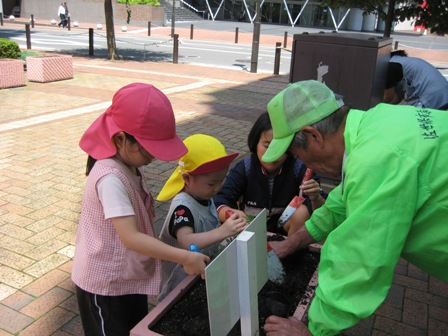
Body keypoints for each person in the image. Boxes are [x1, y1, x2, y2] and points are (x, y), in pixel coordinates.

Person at [261, 80, 448, 335]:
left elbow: (359, 257)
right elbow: (343, 200)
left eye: (295, 154)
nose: (301, 162)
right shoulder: (376, 123)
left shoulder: (374, 160)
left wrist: (314, 329)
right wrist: (291, 243)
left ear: (314, 136)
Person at [71, 83, 210, 336]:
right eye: (150, 148)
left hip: (125, 278)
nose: (155, 156)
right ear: (121, 139)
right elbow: (131, 237)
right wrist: (184, 256)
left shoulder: (130, 165)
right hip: (104, 285)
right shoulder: (110, 179)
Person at [156, 134, 247, 300]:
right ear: (187, 179)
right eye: (212, 184)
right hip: (180, 280)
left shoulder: (202, 194)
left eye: (222, 180)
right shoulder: (182, 208)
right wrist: (222, 232)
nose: (218, 188)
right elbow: (187, 241)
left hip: (199, 271)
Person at [214, 112, 326, 236]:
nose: (273, 154)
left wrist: (315, 197)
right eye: (267, 146)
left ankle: (291, 252)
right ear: (255, 143)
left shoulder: (300, 168)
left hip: (287, 232)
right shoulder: (245, 168)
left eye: (279, 148)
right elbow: (220, 200)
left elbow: (322, 211)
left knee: (302, 212)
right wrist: (231, 214)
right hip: (250, 230)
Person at [384, 50, 448, 110]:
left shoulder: (391, 64)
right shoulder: (404, 60)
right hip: (443, 94)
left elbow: (389, 97)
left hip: (431, 97)